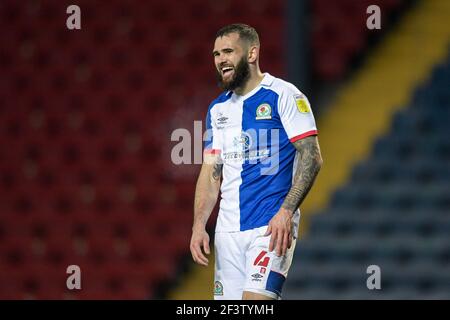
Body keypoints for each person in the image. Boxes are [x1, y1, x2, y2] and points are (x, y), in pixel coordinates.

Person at [190, 23, 323, 300]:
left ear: (252, 54)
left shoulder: (284, 95)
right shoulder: (217, 109)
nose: (220, 60)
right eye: (216, 54)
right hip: (227, 233)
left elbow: (312, 157)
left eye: (228, 51)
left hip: (270, 227)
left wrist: (287, 211)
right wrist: (199, 225)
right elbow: (211, 172)